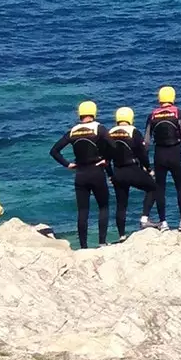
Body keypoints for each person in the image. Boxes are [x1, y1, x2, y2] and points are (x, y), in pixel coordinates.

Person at [50, 101, 112, 249]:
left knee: (83, 211)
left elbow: (54, 151)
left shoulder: (73, 131)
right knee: (103, 207)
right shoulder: (99, 128)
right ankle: (102, 242)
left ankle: (83, 247)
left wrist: (68, 164)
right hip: (96, 172)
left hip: (81, 174)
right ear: (94, 112)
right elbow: (113, 145)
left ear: (80, 113)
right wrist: (106, 160)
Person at [144, 85, 181, 231]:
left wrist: (145, 161)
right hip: (175, 152)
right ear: (173, 97)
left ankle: (163, 222)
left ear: (159, 98)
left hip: (159, 153)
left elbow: (146, 141)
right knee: (180, 187)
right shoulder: (178, 113)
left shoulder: (152, 115)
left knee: (160, 188)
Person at [107, 106, 155, 238]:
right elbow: (142, 153)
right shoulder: (133, 131)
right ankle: (144, 219)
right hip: (132, 169)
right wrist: (148, 169)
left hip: (117, 171)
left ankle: (121, 235)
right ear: (130, 118)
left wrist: (110, 175)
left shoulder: (109, 133)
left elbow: (105, 159)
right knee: (153, 188)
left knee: (121, 204)